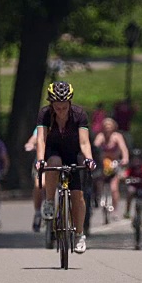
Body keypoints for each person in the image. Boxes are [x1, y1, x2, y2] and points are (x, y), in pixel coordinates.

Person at [36, 81, 96, 254]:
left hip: (73, 152)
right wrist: (40, 159)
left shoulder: (79, 115)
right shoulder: (45, 114)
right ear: (51, 104)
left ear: (69, 103)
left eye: (64, 107)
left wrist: (89, 159)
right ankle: (49, 201)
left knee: (78, 196)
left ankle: (79, 235)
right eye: (57, 107)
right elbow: (41, 139)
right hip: (53, 150)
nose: (61, 111)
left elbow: (84, 142)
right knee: (53, 163)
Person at [93, 118, 129, 221]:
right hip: (103, 164)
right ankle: (98, 198)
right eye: (106, 125)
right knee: (98, 180)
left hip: (114, 164)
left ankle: (115, 210)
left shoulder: (117, 137)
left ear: (113, 126)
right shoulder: (100, 137)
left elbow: (124, 149)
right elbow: (95, 148)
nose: (108, 127)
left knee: (114, 188)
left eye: (110, 125)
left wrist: (125, 159)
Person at [24, 127, 44, 232]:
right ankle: (37, 213)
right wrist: (31, 143)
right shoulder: (42, 126)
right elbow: (35, 137)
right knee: (39, 185)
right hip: (42, 163)